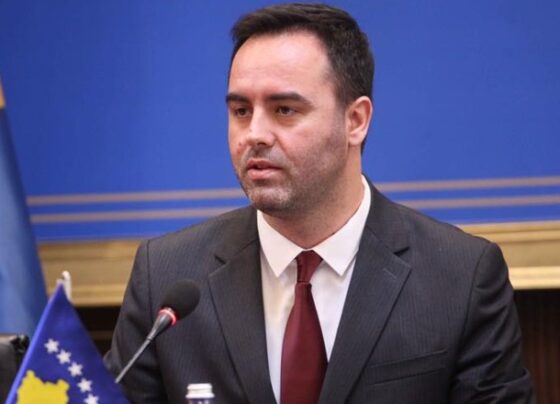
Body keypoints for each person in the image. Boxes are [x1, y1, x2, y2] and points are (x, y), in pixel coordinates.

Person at [106, 3, 535, 403]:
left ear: (356, 120)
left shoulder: (460, 278)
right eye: (241, 111)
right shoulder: (167, 277)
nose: (254, 134)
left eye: (284, 110)